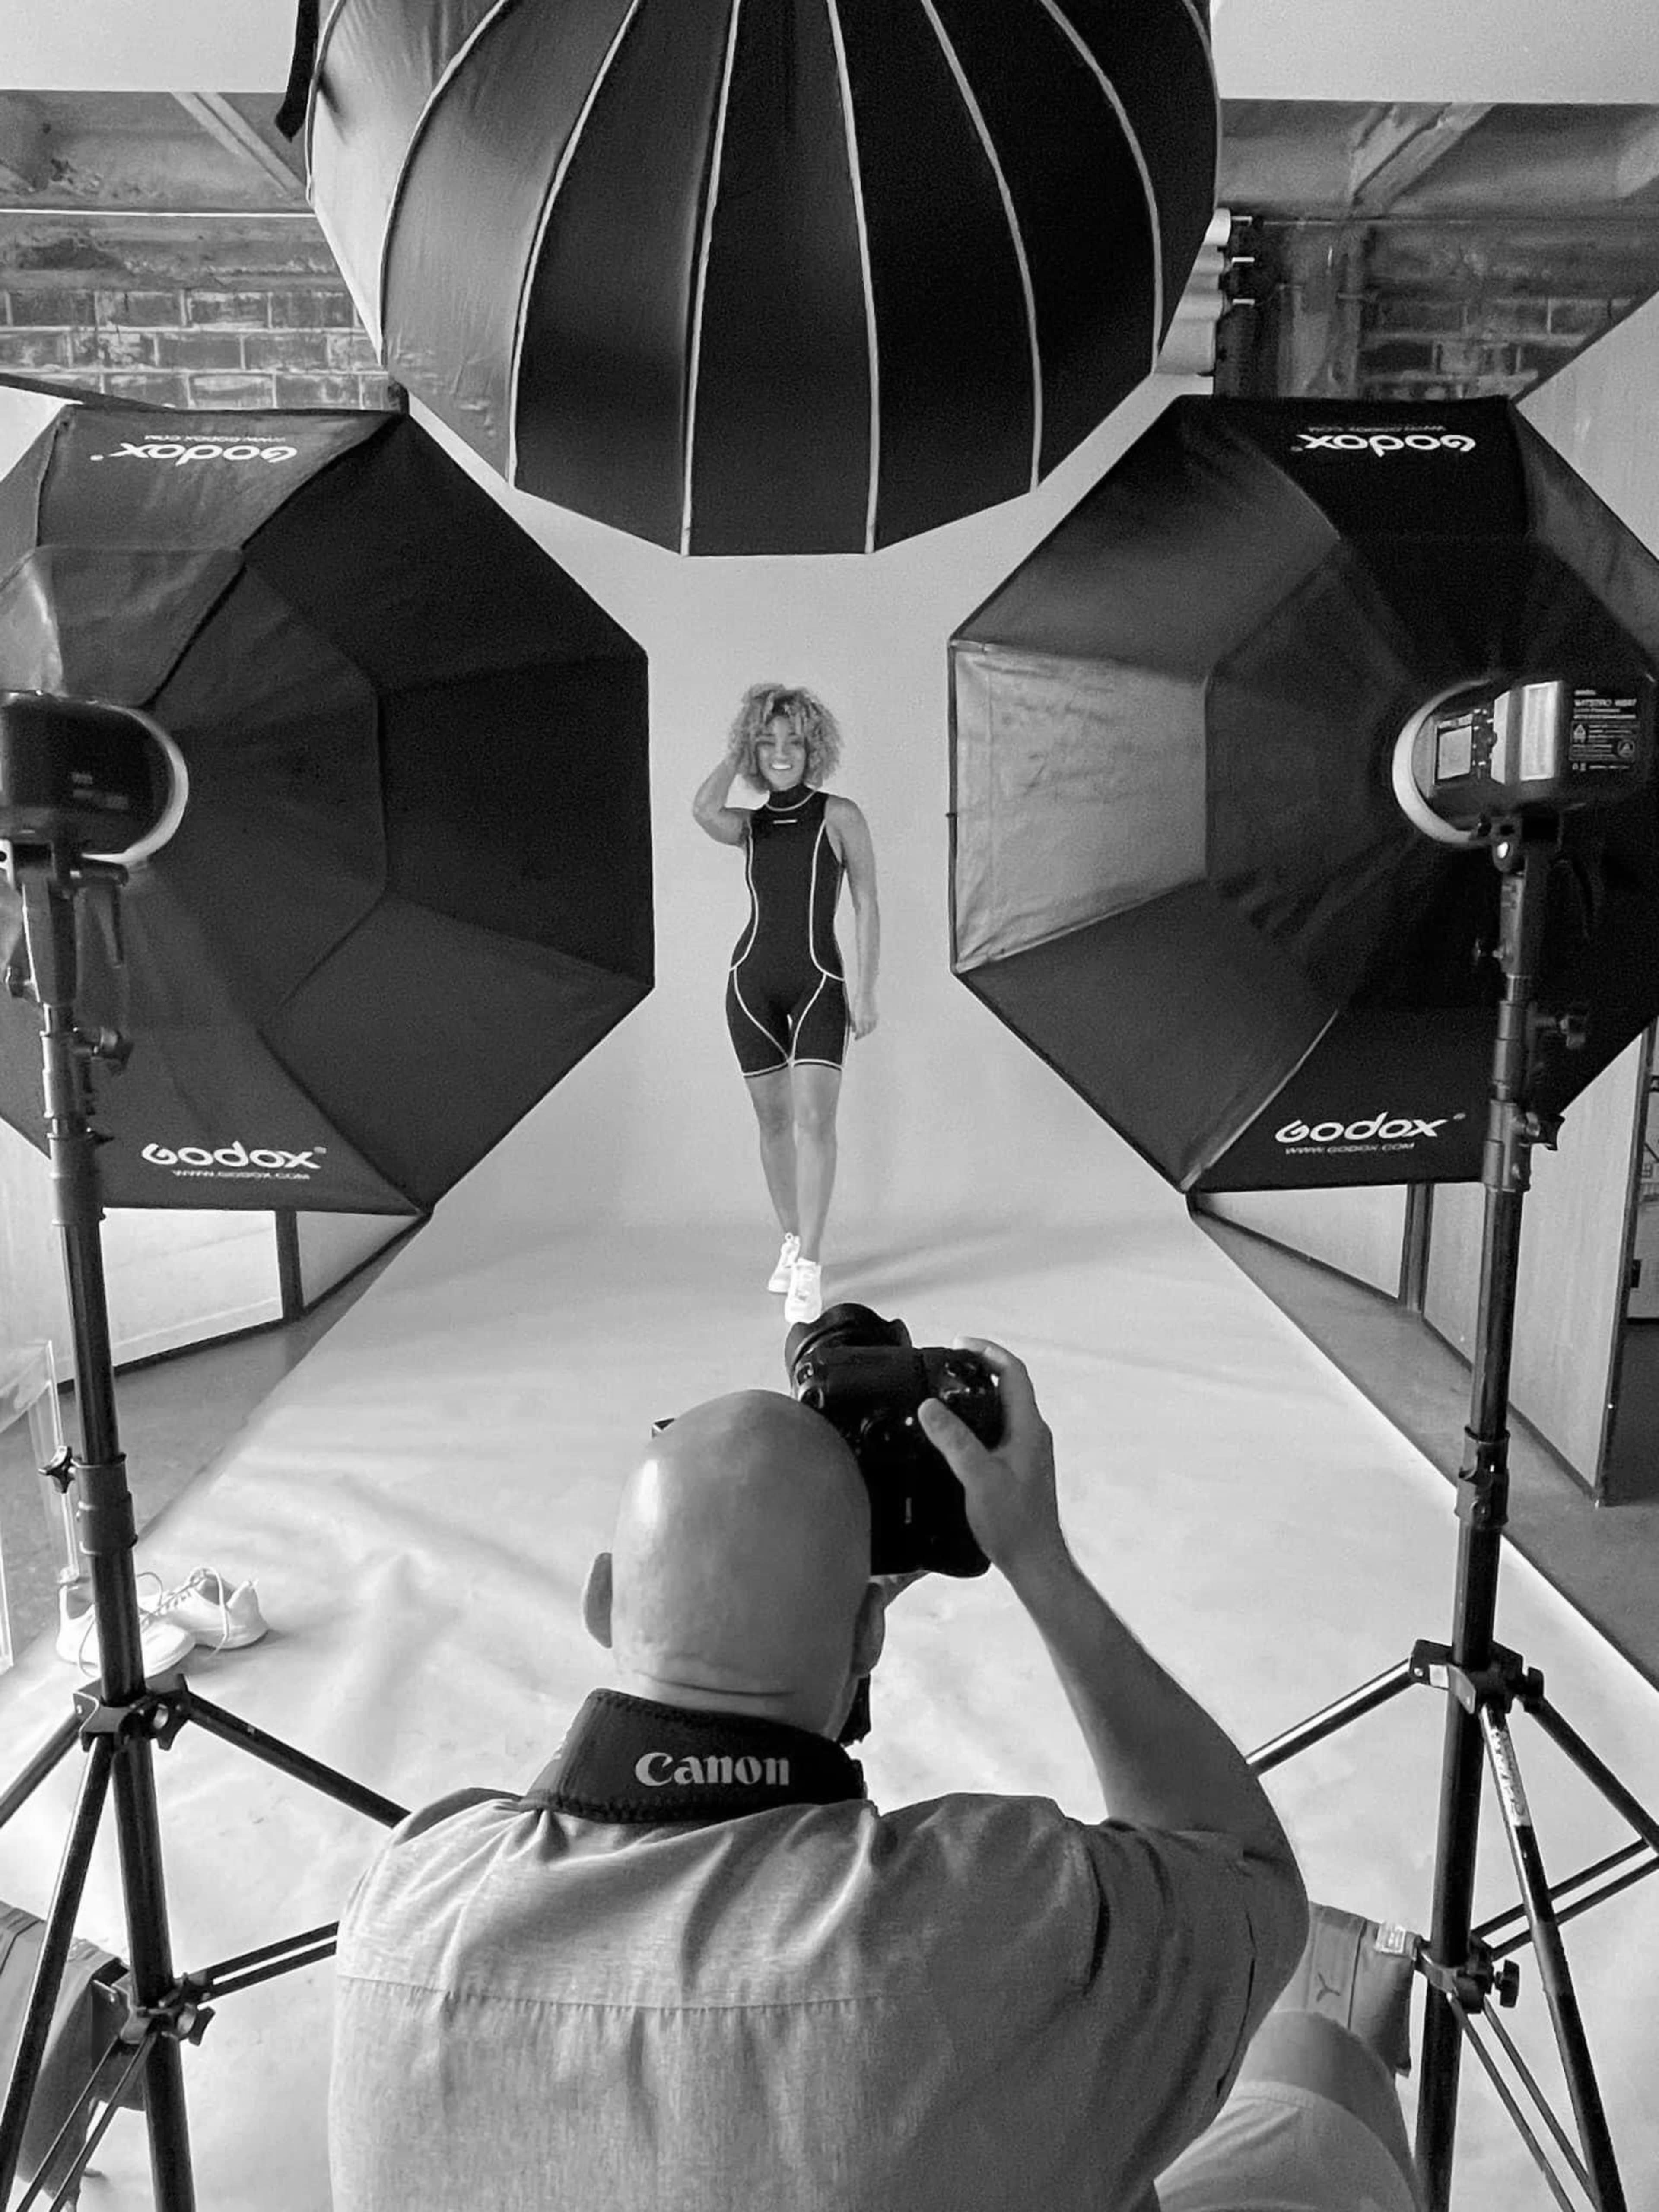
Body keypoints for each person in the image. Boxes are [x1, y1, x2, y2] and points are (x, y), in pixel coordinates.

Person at [329, 1343, 1426, 2212]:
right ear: (871, 1635)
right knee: (1319, 2061)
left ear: (604, 1604)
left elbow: (577, 1817)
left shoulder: (403, 1906)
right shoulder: (987, 1921)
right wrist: (1034, 1556)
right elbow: (1239, 1872)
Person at [692, 683, 879, 1327]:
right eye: (767, 742)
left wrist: (867, 987)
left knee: (815, 1125)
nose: (780, 754)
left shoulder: (840, 816)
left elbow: (866, 903)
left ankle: (812, 1265)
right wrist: (735, 751)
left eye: (793, 741)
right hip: (749, 986)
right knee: (773, 1126)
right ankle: (791, 1238)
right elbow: (702, 808)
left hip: (819, 983)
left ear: (813, 747)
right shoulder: (751, 826)